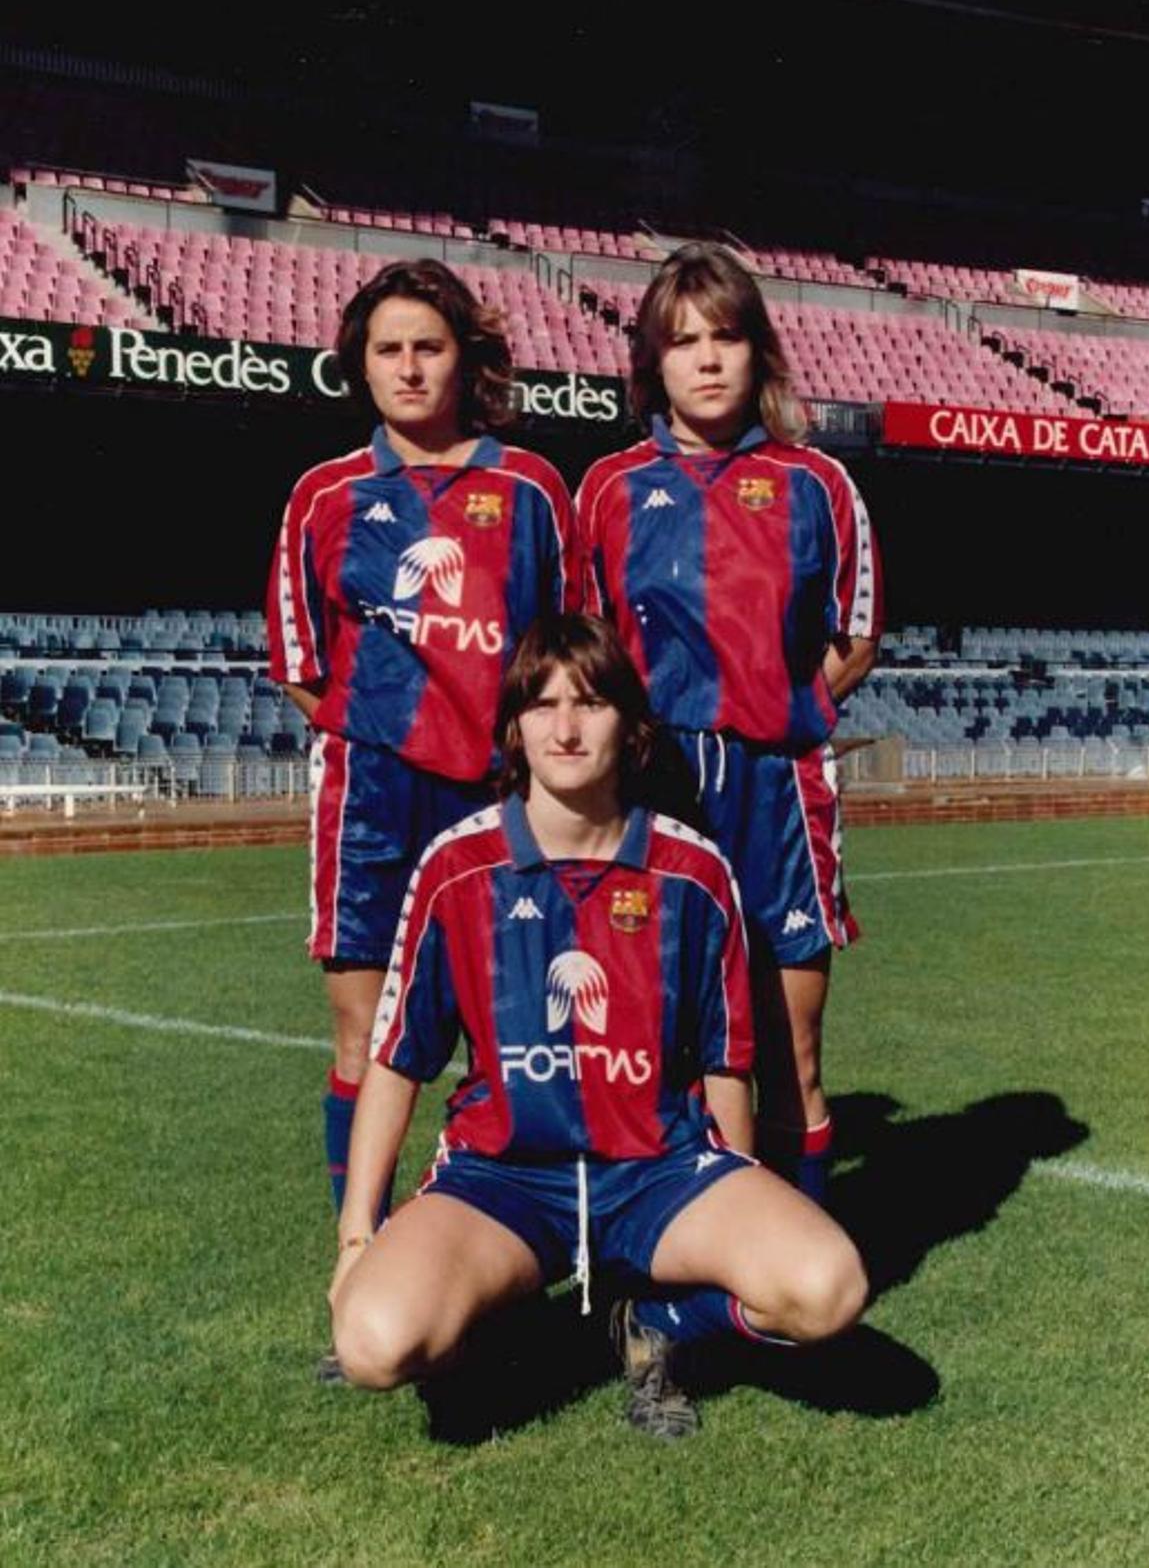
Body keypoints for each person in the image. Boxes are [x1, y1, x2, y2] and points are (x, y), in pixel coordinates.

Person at [329, 614, 867, 1438]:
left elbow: (727, 1063)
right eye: (542, 705)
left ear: (632, 724)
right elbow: (396, 1062)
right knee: (374, 1343)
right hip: (503, 1181)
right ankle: (508, 1316)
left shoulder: (694, 873)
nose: (567, 728)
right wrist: (356, 1234)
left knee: (831, 1288)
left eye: (591, 703)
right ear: (513, 727)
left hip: (658, 1174)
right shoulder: (456, 869)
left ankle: (661, 1318)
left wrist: (740, 1189)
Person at [266, 259, 579, 1268]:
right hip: (372, 801)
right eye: (388, 349)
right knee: (366, 1043)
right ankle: (360, 1257)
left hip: (497, 801)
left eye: (428, 347)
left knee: (509, 1040)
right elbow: (305, 667)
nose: (408, 368)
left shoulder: (531, 488)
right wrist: (380, 733)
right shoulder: (323, 496)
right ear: (359, 363)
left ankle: (494, 1249)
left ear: (464, 359)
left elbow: (567, 649)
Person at [575, 244, 883, 1203]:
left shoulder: (817, 484)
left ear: (759, 352)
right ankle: (663, 1287)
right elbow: (585, 651)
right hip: (653, 787)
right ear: (652, 364)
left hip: (776, 789)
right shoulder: (609, 488)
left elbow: (857, 632)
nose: (707, 359)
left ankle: (794, 1276)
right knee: (658, 1048)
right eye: (684, 341)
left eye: (728, 336)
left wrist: (787, 711)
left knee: (790, 1052)